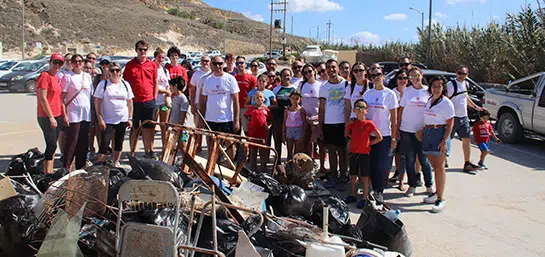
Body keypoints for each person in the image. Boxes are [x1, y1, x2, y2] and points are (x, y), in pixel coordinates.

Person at [362, 67, 398, 202]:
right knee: (370, 163)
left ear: (383, 76)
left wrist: (394, 137)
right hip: (368, 135)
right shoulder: (367, 94)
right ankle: (370, 189)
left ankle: (379, 191)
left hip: (384, 135)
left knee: (382, 165)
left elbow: (394, 118)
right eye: (373, 75)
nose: (376, 77)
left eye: (378, 74)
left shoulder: (390, 94)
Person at [398, 67, 434, 197]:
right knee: (410, 159)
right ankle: (412, 186)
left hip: (422, 132)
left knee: (424, 160)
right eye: (411, 76)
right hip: (406, 130)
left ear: (421, 75)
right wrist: (397, 128)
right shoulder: (407, 91)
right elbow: (401, 110)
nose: (414, 78)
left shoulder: (428, 91)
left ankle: (429, 186)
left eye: (416, 75)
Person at [421, 76, 455, 213]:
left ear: (443, 88)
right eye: (434, 86)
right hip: (428, 132)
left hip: (439, 133)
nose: (436, 89)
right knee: (433, 164)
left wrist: (444, 140)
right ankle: (436, 192)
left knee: (439, 166)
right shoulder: (430, 100)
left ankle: (440, 198)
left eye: (439, 86)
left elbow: (450, 122)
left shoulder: (446, 103)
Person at [123, 40, 159, 159]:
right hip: (134, 101)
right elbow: (126, 83)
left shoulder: (152, 65)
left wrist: (154, 98)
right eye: (140, 49)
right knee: (134, 128)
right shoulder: (130, 65)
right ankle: (132, 153)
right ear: (136, 50)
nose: (143, 52)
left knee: (148, 128)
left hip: (149, 100)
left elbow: (155, 82)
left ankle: (148, 151)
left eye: (145, 49)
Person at [199, 55, 240, 159]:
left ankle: (231, 168)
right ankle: (213, 166)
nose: (218, 66)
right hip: (210, 118)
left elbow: (236, 101)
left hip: (226, 118)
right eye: (215, 64)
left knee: (229, 143)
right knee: (211, 144)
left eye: (220, 64)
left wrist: (236, 120)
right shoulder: (207, 80)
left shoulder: (230, 79)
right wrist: (201, 119)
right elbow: (203, 101)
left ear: (224, 64)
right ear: (211, 65)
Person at [446, 65, 484, 174]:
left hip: (464, 117)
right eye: (459, 73)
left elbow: (465, 97)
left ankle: (467, 163)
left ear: (467, 75)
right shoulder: (450, 85)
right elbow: (445, 100)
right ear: (456, 73)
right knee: (446, 139)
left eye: (464, 74)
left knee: (466, 140)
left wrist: (476, 107)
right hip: (452, 118)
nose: (462, 76)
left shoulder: (465, 84)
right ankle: (441, 159)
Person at [94, 62, 134, 166]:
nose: (115, 72)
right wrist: (100, 118)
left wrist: (130, 118)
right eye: (112, 70)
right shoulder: (104, 84)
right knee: (105, 142)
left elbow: (130, 102)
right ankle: (100, 163)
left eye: (117, 70)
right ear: (109, 72)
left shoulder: (125, 84)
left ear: (120, 72)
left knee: (119, 142)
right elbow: (97, 102)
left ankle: (115, 163)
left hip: (122, 118)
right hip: (108, 119)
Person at [344, 99, 382, 208]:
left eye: (362, 108)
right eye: (358, 107)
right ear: (354, 110)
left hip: (364, 153)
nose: (360, 110)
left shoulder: (369, 123)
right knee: (353, 176)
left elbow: (379, 137)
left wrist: (369, 143)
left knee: (365, 177)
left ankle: (365, 197)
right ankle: (353, 194)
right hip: (353, 152)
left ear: (366, 110)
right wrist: (354, 137)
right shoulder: (352, 122)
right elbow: (347, 134)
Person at [319, 59, 348, 189]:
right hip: (328, 123)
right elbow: (322, 108)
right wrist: (320, 126)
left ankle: (343, 177)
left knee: (342, 151)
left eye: (333, 67)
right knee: (331, 151)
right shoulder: (324, 86)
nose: (331, 70)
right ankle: (333, 177)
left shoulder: (346, 84)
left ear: (338, 68)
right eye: (328, 68)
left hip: (342, 123)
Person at [60, 54, 93, 170]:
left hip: (86, 113)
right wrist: (64, 115)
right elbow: (62, 97)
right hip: (73, 113)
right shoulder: (68, 77)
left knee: (83, 142)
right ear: (71, 63)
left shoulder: (87, 77)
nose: (77, 63)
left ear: (83, 63)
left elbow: (90, 95)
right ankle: (66, 166)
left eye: (80, 61)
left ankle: (81, 166)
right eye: (75, 61)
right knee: (72, 140)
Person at [36, 53, 65, 174]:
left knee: (53, 146)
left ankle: (50, 169)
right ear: (50, 62)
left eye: (60, 63)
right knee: (51, 144)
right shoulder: (45, 76)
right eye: (55, 62)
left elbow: (58, 98)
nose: (57, 65)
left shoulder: (57, 77)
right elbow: (43, 98)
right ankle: (46, 172)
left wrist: (63, 114)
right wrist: (51, 116)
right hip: (47, 116)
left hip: (57, 114)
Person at [298, 64, 326, 170]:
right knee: (307, 143)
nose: (308, 74)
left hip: (318, 118)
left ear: (314, 71)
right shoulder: (301, 85)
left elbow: (323, 103)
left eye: (310, 71)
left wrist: (318, 117)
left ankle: (322, 167)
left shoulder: (321, 85)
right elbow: (298, 101)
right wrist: (304, 116)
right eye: (305, 73)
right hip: (305, 119)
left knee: (321, 143)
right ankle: (309, 165)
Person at [389, 69, 410, 191]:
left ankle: (401, 181)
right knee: (391, 154)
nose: (403, 81)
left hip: (406, 128)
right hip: (393, 128)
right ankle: (388, 178)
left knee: (403, 156)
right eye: (400, 78)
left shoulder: (410, 92)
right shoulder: (392, 93)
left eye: (405, 78)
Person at [271, 68, 296, 161]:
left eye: (288, 75)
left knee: (290, 140)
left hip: (291, 119)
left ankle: (290, 161)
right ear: (281, 77)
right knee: (277, 140)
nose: (286, 77)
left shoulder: (294, 88)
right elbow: (273, 103)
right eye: (284, 75)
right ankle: (277, 162)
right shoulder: (276, 89)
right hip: (278, 118)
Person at [245, 91, 272, 172]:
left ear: (264, 99)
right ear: (254, 100)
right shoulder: (251, 109)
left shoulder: (266, 110)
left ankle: (263, 169)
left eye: (260, 97)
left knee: (262, 152)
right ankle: (253, 169)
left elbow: (270, 120)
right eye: (257, 97)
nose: (259, 99)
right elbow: (246, 116)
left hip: (263, 134)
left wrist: (268, 126)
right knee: (253, 151)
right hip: (253, 134)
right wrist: (251, 124)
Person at [189, 56, 212, 153]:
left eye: (207, 61)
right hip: (199, 102)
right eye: (203, 61)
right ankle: (198, 146)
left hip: (211, 103)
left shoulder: (213, 74)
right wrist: (193, 104)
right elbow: (193, 90)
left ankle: (210, 147)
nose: (205, 63)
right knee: (199, 126)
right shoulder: (196, 74)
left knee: (210, 127)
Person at [153, 48, 172, 150]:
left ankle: (165, 147)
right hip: (155, 101)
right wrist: (165, 92)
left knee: (164, 125)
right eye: (159, 57)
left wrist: (167, 94)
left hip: (164, 101)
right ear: (155, 57)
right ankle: (150, 148)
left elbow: (167, 84)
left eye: (163, 58)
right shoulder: (153, 69)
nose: (161, 59)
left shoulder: (165, 70)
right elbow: (154, 86)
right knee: (153, 126)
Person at [234, 56, 257, 135]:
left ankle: (250, 147)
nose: (240, 65)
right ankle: (237, 147)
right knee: (236, 131)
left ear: (245, 64)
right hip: (235, 108)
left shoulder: (251, 78)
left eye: (241, 63)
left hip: (246, 108)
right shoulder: (233, 78)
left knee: (247, 131)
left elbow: (254, 93)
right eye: (237, 63)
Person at [168, 76, 190, 151]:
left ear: (175, 86)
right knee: (172, 146)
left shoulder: (183, 98)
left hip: (181, 127)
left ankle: (187, 161)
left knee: (183, 147)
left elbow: (183, 115)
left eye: (171, 86)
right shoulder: (175, 97)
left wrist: (179, 127)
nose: (170, 88)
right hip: (173, 125)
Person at [283, 91, 306, 160]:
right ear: (290, 99)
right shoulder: (287, 110)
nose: (294, 100)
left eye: (296, 99)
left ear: (300, 99)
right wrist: (283, 134)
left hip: (298, 129)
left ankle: (296, 164)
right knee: (289, 149)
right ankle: (289, 163)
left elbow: (304, 122)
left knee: (297, 149)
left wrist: (303, 134)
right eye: (293, 98)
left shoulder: (301, 110)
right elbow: (284, 122)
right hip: (289, 129)